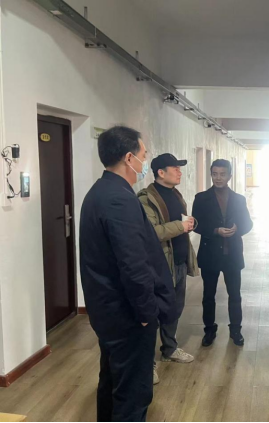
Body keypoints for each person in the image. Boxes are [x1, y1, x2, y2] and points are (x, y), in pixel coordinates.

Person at [80, 126, 175, 423]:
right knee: (133, 393)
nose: (145, 161)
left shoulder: (101, 191)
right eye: (144, 155)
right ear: (129, 158)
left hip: (109, 311)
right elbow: (134, 265)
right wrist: (146, 313)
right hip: (127, 315)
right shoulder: (118, 199)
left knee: (112, 382)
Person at [138, 154, 200, 384]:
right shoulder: (146, 199)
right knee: (155, 311)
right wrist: (180, 226)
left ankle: (169, 349)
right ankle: (147, 363)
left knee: (174, 308)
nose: (179, 172)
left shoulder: (175, 194)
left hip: (179, 260)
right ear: (161, 173)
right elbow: (151, 232)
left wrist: (190, 223)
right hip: (160, 264)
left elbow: (179, 223)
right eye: (175, 168)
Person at [192, 159, 253, 347]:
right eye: (215, 174)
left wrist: (238, 228)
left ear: (229, 176)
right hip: (210, 254)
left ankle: (236, 329)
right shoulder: (201, 198)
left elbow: (248, 223)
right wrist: (215, 230)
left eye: (222, 174)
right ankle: (209, 330)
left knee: (234, 294)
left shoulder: (239, 199)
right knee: (208, 295)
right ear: (211, 174)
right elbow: (196, 224)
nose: (218, 178)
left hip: (232, 255)